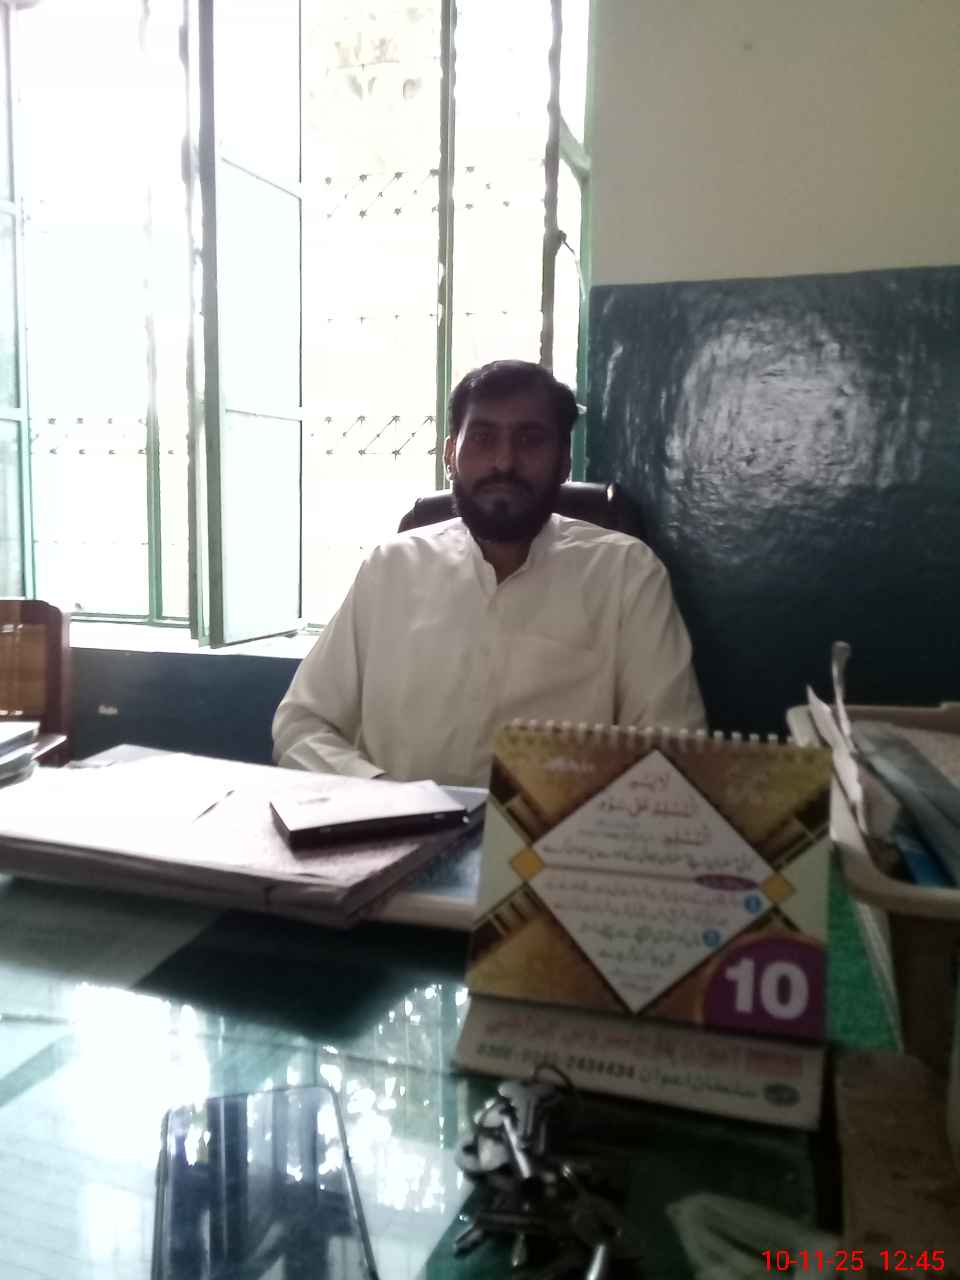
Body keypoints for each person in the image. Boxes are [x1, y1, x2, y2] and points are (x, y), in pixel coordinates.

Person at [273, 360, 705, 787]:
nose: (504, 462)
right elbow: (301, 724)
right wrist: (384, 796)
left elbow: (670, 754)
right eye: (482, 437)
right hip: (393, 825)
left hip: (559, 831)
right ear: (450, 454)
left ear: (563, 461)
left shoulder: (627, 573)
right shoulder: (391, 568)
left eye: (530, 439)